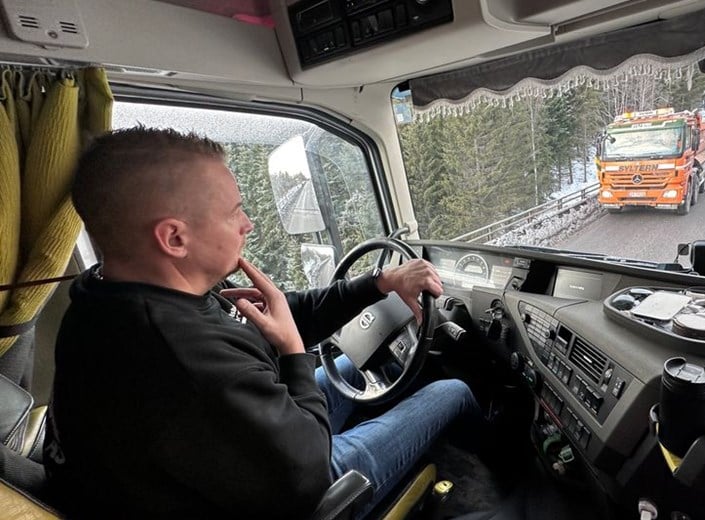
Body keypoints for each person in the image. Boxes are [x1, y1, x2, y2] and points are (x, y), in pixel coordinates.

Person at [44, 127, 480, 519]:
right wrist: (292, 352)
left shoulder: (113, 292)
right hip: (297, 490)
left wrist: (380, 282)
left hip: (220, 458)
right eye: (234, 212)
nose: (248, 224)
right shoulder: (178, 354)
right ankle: (502, 487)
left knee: (352, 368)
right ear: (174, 238)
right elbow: (309, 472)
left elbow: (277, 314)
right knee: (452, 390)